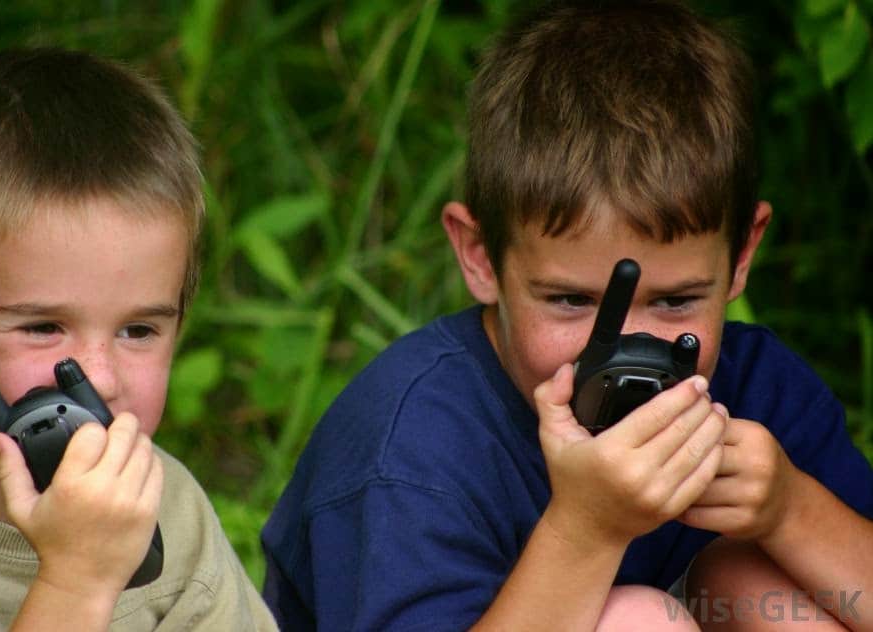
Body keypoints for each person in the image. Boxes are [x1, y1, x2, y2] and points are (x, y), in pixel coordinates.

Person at [260, 1, 873, 630]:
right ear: (480, 258)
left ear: (742, 255)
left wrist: (791, 509)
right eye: (573, 301)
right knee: (637, 623)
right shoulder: (411, 456)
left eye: (674, 301)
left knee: (747, 578)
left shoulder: (759, 392)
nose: (628, 348)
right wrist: (588, 529)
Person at [0, 48, 276, 630]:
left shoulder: (163, 503)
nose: (102, 378)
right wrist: (76, 580)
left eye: (139, 331)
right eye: (43, 327)